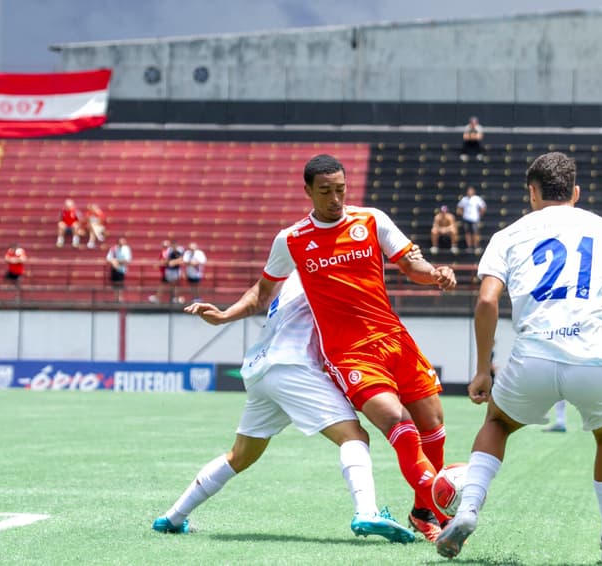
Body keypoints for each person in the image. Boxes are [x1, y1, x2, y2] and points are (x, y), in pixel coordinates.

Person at [435, 152, 602, 563]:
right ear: (575, 192)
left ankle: (467, 510)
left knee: (498, 423)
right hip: (594, 359)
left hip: (532, 359)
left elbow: (487, 300)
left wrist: (483, 369)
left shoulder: (507, 235)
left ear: (532, 193)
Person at [185, 154, 457, 542]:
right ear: (308, 191)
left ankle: (422, 510)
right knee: (398, 424)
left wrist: (436, 275)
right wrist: (226, 315)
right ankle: (442, 505)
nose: (335, 199)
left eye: (341, 190)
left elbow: (411, 264)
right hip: (349, 353)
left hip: (395, 339)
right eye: (326, 191)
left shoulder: (371, 220)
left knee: (433, 428)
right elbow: (263, 293)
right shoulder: (292, 239)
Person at [152, 271, 416, 544]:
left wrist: (223, 316)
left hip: (261, 371)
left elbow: (262, 295)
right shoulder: (325, 270)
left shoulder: (295, 276)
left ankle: (172, 517)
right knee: (354, 436)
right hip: (293, 366)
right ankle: (367, 512)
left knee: (239, 456)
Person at [456, 186, 487, 254]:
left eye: (471, 191)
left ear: (473, 192)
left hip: (474, 219)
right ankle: (469, 247)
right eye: (468, 191)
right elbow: (459, 208)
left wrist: (480, 214)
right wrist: (463, 214)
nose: (469, 192)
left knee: (475, 233)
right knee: (468, 233)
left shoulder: (477, 198)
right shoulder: (464, 199)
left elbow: (483, 207)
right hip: (466, 218)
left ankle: (476, 246)